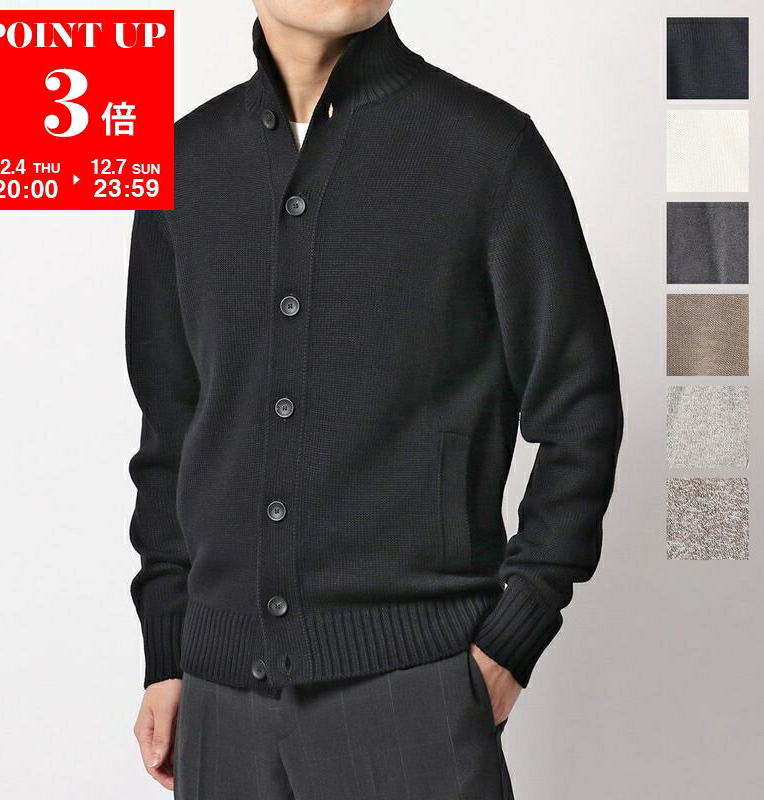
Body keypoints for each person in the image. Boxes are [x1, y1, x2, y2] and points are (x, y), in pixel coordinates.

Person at [126, 1, 623, 797]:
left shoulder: (486, 151)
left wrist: (513, 636)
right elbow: (171, 431)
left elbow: (581, 411)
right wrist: (168, 650)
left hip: (414, 692)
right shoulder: (181, 164)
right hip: (219, 703)